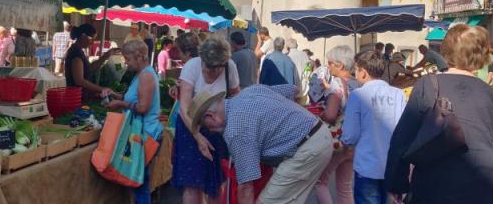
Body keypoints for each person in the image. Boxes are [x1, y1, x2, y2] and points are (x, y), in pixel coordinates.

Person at [385, 25, 493, 204]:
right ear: (481, 56)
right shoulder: (490, 94)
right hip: (485, 185)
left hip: (435, 185)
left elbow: (402, 138)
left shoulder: (428, 85)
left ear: (445, 52)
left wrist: (396, 184)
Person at [188, 84, 333, 203]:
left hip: (308, 147)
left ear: (210, 116)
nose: (209, 131)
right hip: (318, 134)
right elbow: (292, 89)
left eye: (204, 125)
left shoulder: (235, 130)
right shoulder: (249, 91)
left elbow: (246, 187)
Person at [172, 37, 241, 204]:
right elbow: (184, 108)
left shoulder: (229, 66)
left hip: (216, 128)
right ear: (202, 59)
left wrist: (226, 115)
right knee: (192, 184)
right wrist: (198, 137)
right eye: (209, 68)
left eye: (218, 67)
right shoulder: (191, 66)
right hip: (190, 127)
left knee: (215, 183)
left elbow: (236, 94)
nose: (214, 72)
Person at [341, 50, 406, 204]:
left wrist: (345, 143)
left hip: (367, 166)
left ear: (363, 72)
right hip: (392, 166)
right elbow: (403, 130)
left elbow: (350, 135)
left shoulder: (357, 95)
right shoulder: (398, 94)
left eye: (356, 69)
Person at [104, 40, 163, 204]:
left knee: (139, 182)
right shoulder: (141, 74)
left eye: (128, 59)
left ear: (139, 57)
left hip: (146, 135)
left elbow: (143, 107)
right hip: (142, 134)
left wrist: (120, 104)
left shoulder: (146, 75)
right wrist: (117, 95)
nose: (126, 62)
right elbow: (134, 98)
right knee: (138, 180)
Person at [314, 45, 355, 204]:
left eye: (330, 63)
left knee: (320, 182)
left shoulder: (337, 84)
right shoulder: (358, 82)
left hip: (338, 140)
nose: (328, 67)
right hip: (355, 141)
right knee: (345, 186)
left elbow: (331, 116)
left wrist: (321, 114)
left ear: (340, 65)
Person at [65, 24, 119, 102]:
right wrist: (101, 89)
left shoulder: (79, 50)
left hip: (80, 96)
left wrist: (106, 56)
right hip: (76, 98)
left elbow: (89, 68)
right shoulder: (75, 53)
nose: (92, 42)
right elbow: (79, 80)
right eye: (91, 39)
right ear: (83, 36)